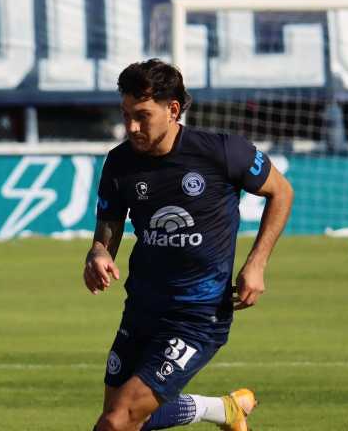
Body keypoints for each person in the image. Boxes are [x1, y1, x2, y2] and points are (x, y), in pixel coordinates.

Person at [84, 59, 293, 431]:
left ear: (173, 109)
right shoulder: (119, 163)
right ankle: (226, 410)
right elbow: (107, 229)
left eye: (142, 116)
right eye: (126, 115)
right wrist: (99, 253)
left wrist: (257, 263)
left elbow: (281, 191)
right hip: (142, 308)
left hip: (197, 316)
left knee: (118, 421)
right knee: (122, 416)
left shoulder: (222, 152)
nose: (131, 127)